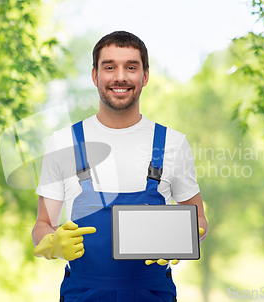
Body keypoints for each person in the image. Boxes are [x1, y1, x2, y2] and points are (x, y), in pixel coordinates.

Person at [32, 31, 208, 302]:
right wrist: (52, 244)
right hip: (83, 294)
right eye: (109, 67)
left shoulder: (173, 143)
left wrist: (188, 238)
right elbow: (43, 224)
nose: (120, 77)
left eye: (131, 67)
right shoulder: (63, 142)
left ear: (145, 76)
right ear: (95, 76)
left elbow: (198, 219)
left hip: (153, 294)